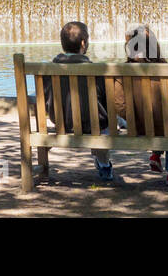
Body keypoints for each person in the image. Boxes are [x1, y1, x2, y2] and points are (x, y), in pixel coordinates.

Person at [112, 24, 168, 186]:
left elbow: (118, 104)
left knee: (162, 126)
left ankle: (156, 156)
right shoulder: (164, 68)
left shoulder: (121, 70)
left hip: (136, 127)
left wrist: (133, 118)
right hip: (163, 127)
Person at [42, 21, 117, 183]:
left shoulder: (48, 70)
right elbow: (108, 101)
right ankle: (104, 165)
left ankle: (41, 166)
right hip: (95, 125)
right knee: (102, 125)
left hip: (63, 123)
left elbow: (44, 98)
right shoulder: (97, 70)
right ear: (83, 43)